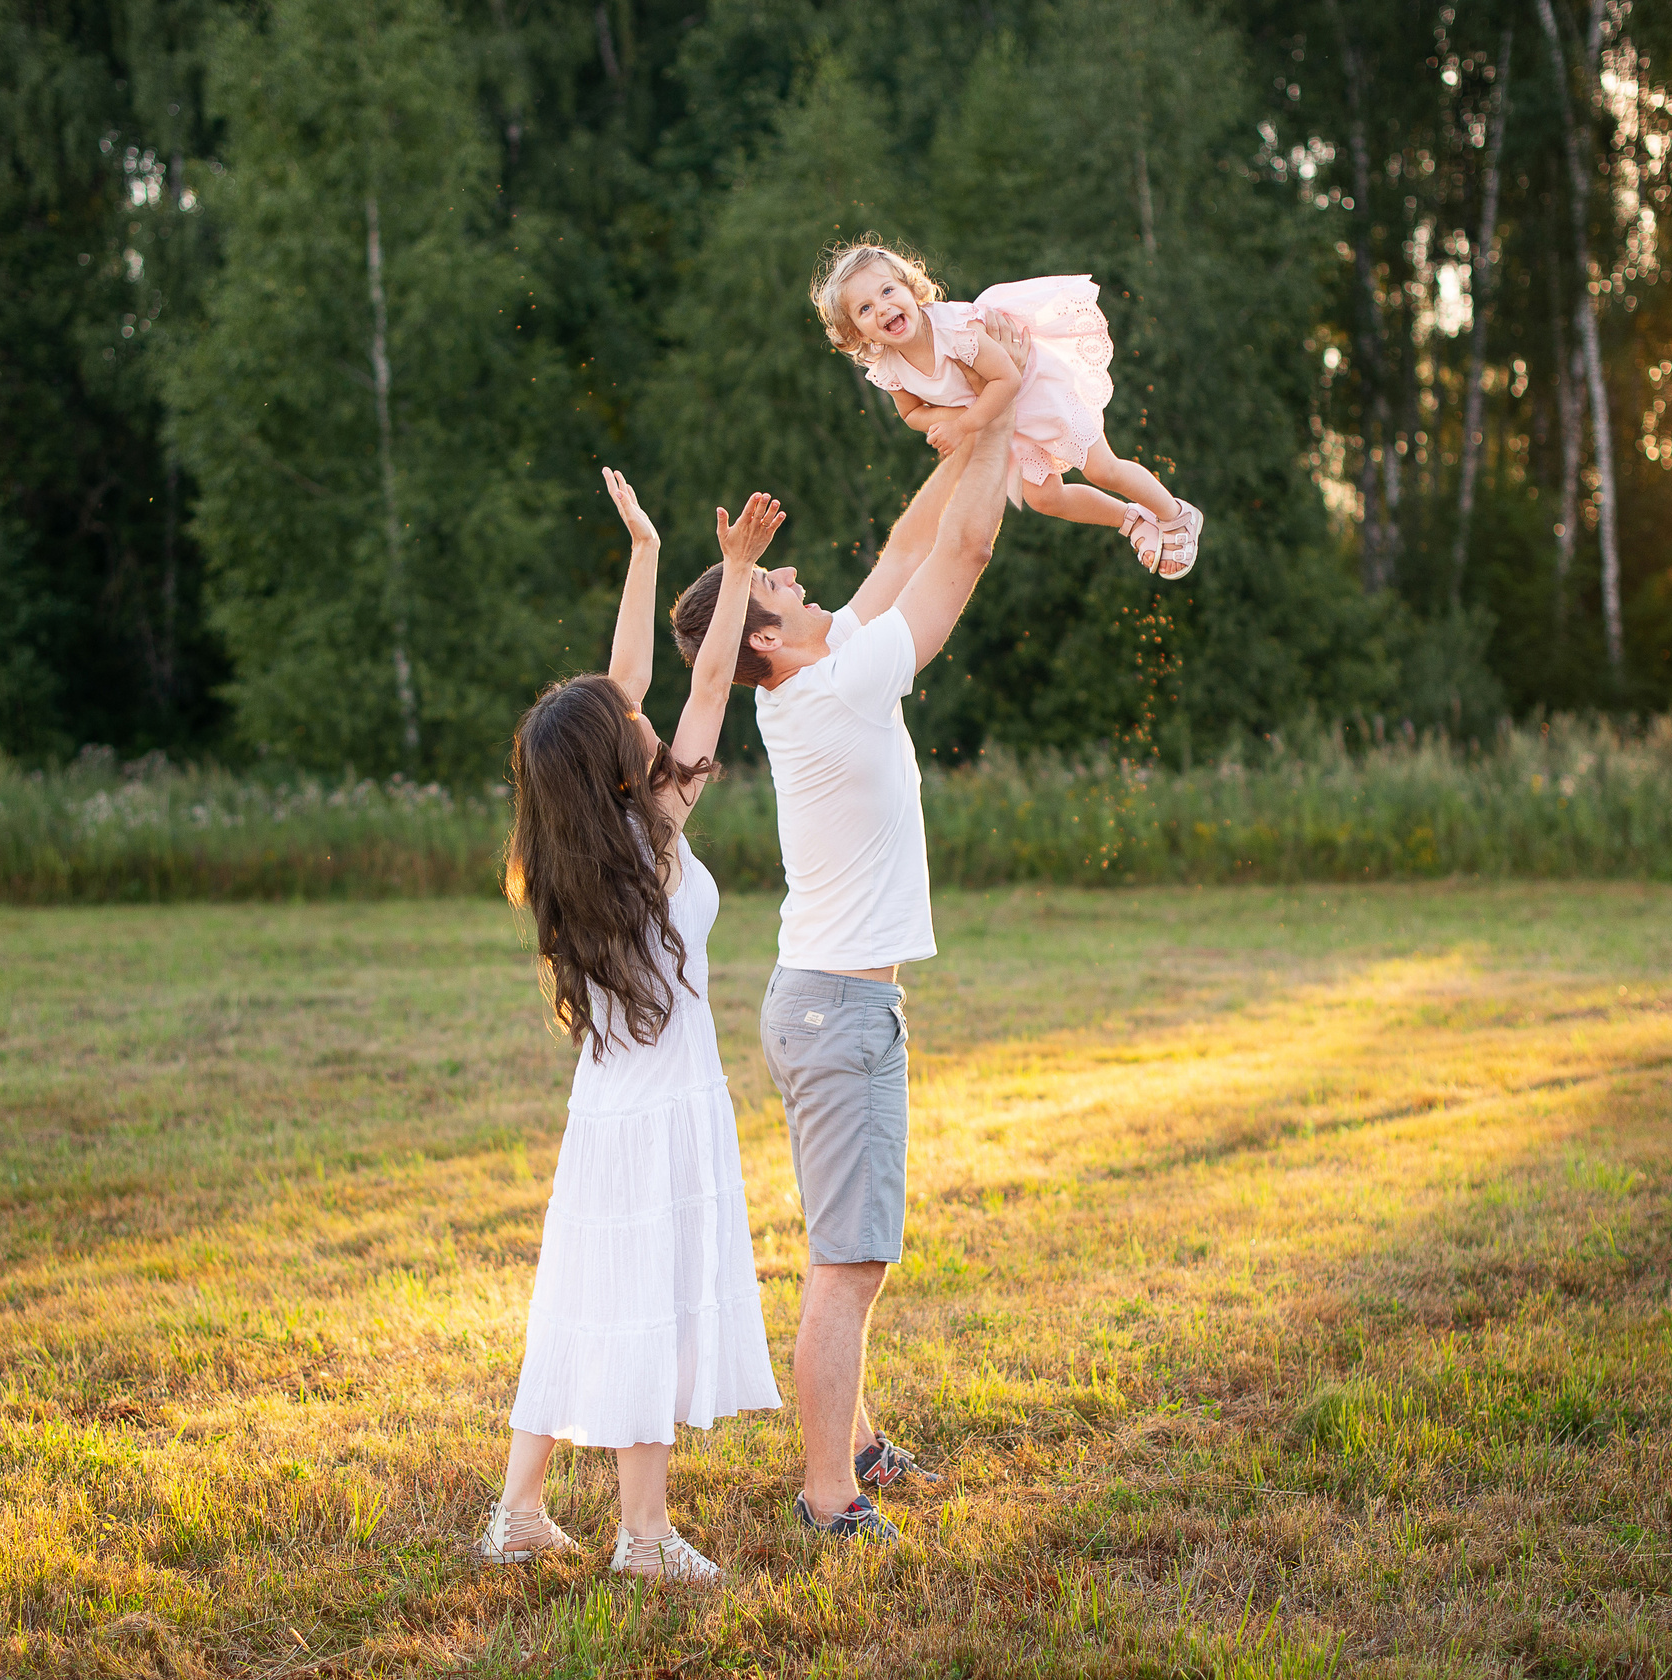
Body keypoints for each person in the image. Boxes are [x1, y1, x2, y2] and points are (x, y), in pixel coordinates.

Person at [666, 365, 1025, 1542]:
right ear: (767, 639)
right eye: (780, 585)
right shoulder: (837, 690)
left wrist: (965, 438)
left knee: (842, 1242)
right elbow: (962, 553)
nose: (803, 580)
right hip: (836, 1011)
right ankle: (830, 1492)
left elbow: (912, 538)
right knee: (850, 1261)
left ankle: (858, 1440)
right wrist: (1002, 415)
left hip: (822, 1003)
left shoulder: (823, 673)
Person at [475, 470, 787, 1582]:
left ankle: (517, 1513)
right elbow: (700, 680)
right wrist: (734, 574)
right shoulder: (653, 832)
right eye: (630, 723)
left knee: (582, 1297)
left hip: (610, 1109)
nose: (644, 712)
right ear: (615, 760)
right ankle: (643, 1535)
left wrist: (648, 550)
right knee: (643, 1304)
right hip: (657, 1113)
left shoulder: (580, 851)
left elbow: (631, 684)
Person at [812, 235, 1205, 578]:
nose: (881, 308)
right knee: (1045, 499)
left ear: (910, 289)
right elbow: (912, 413)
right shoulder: (888, 367)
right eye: (864, 309)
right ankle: (1134, 521)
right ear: (856, 332)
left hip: (1037, 391)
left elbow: (1008, 380)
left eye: (887, 291)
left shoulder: (955, 330)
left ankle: (1177, 516)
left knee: (1102, 468)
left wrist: (963, 426)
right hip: (1002, 416)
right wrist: (952, 419)